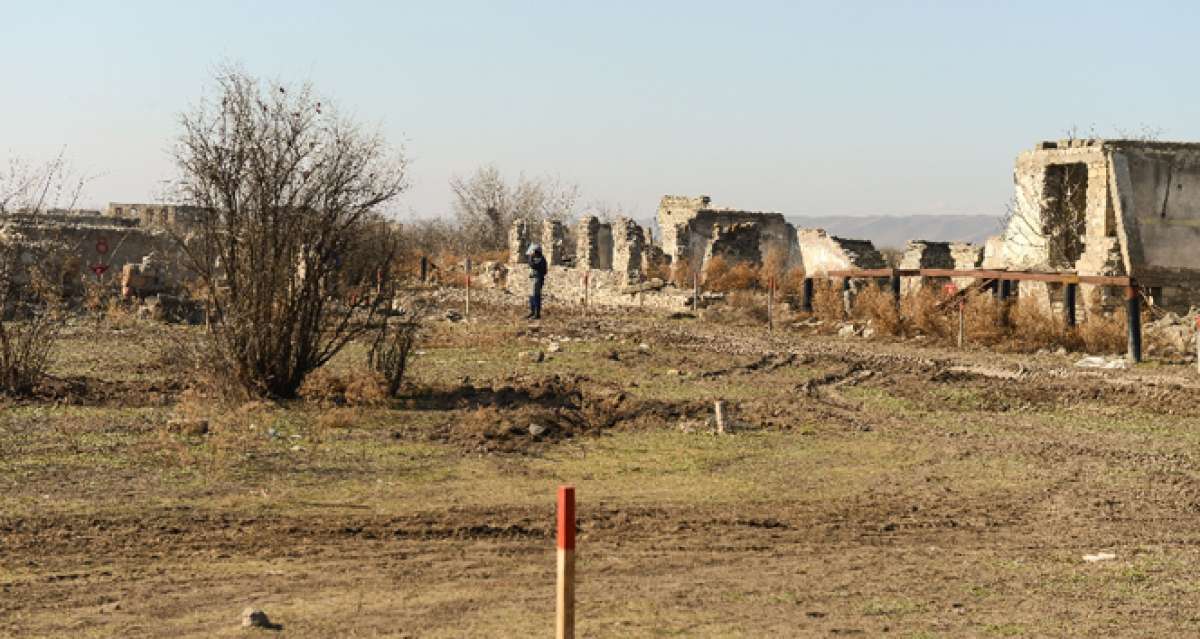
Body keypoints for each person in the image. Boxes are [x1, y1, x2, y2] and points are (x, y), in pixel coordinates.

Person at [526, 243, 547, 319]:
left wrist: (530, 258)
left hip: (537, 278)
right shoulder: (537, 258)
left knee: (536, 296)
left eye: (534, 251)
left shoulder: (541, 258)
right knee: (531, 296)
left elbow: (533, 265)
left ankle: (537, 314)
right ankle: (532, 312)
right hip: (533, 278)